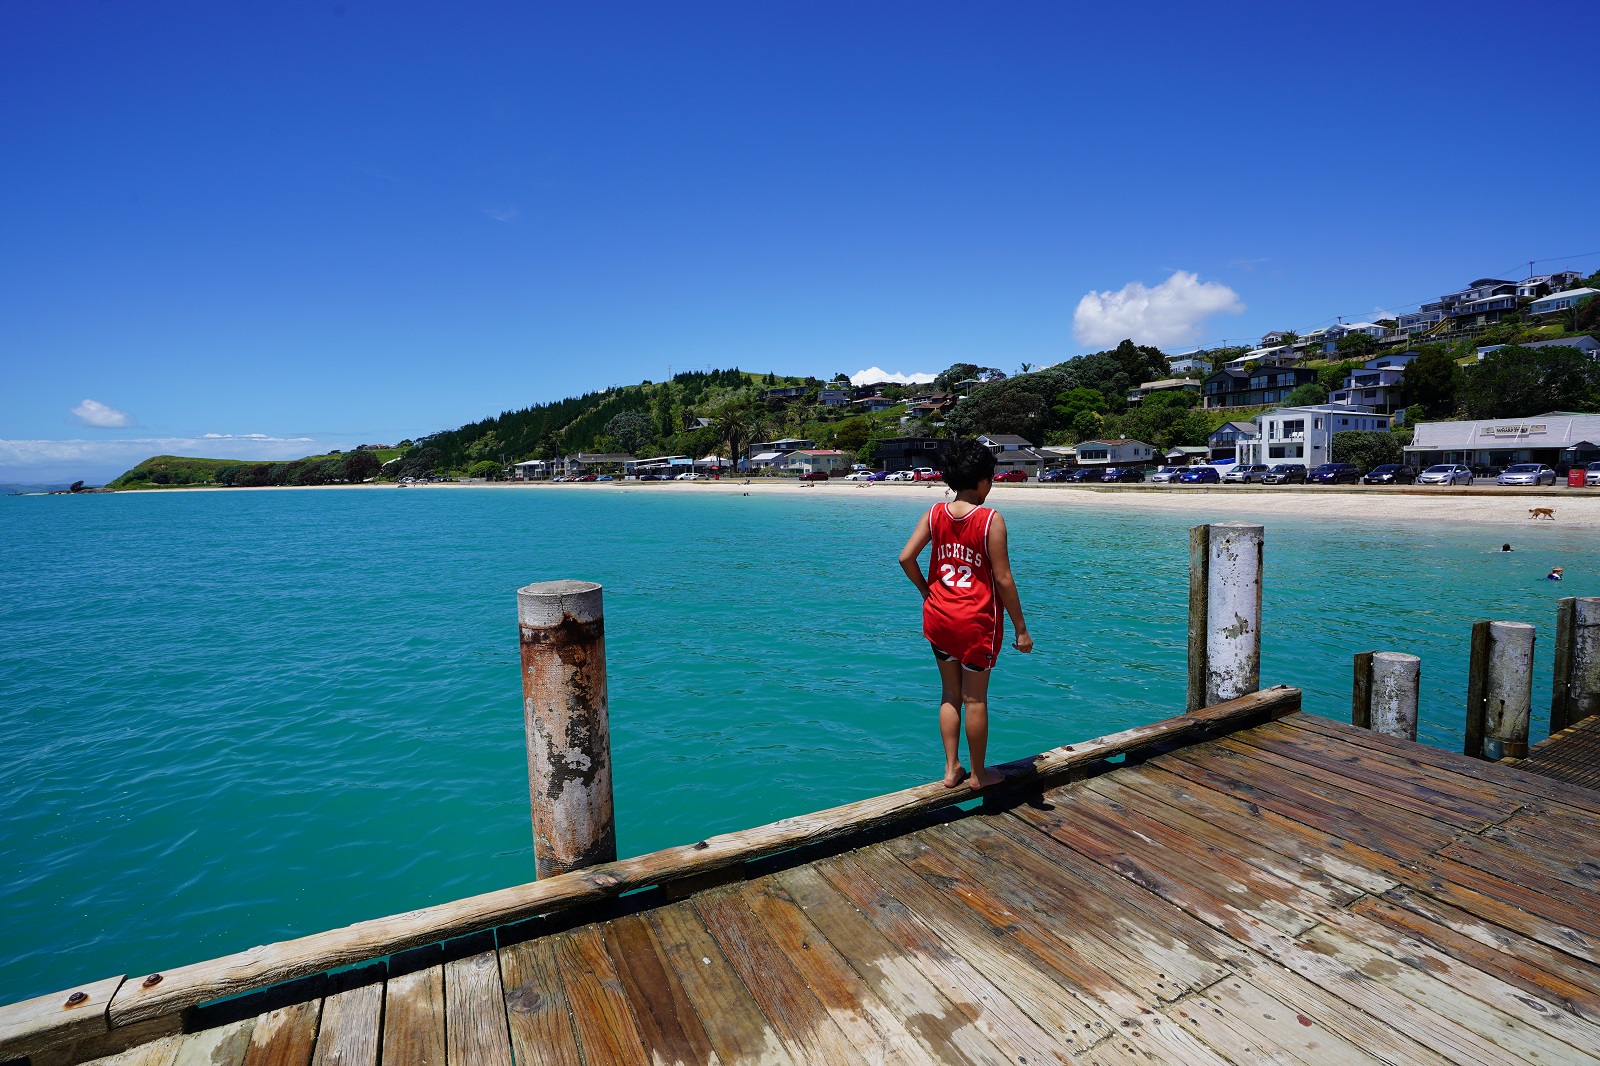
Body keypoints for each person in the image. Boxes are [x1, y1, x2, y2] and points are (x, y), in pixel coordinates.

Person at [898, 438, 1032, 791]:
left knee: (949, 696)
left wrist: (927, 591)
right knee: (975, 699)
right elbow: (1002, 579)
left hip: (939, 617)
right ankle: (978, 774)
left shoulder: (934, 513)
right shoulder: (990, 520)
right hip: (975, 623)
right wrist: (1021, 629)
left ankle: (950, 768)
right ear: (983, 481)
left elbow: (905, 558)